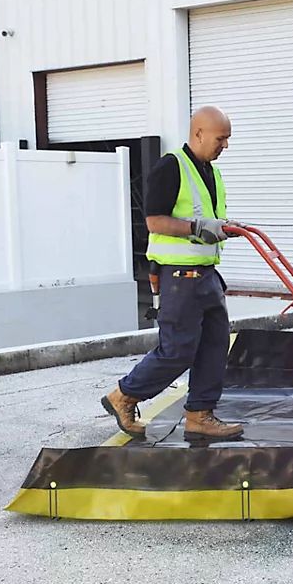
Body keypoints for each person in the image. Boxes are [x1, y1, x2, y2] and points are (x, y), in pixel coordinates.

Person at [101, 106, 245, 443]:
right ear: (198, 134)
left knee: (214, 343)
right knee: (178, 348)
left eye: (227, 139)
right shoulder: (171, 167)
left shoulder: (210, 171)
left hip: (206, 274)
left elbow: (205, 219)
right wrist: (198, 227)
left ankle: (199, 415)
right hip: (180, 278)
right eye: (220, 138)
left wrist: (223, 227)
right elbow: (155, 221)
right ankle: (125, 395)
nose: (225, 145)